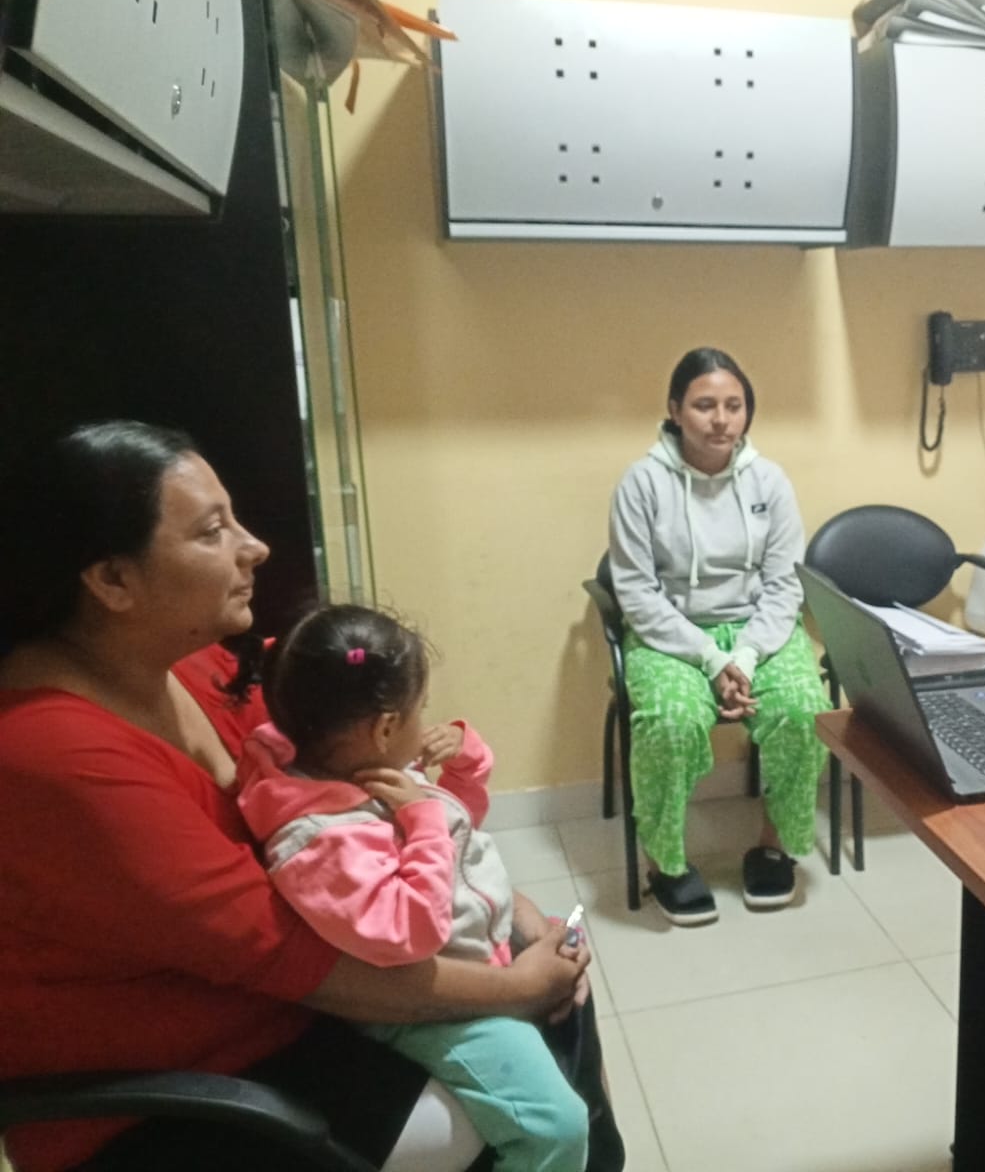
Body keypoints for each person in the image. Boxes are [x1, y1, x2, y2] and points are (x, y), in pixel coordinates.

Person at [0, 421, 616, 1172]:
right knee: (542, 1087)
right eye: (212, 531)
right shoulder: (56, 760)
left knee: (555, 990)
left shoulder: (188, 664)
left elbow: (352, 772)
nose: (254, 547)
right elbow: (293, 958)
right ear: (112, 580)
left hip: (298, 1003)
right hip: (185, 1090)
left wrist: (498, 907)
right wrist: (512, 985)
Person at [236, 603, 588, 1172]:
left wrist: (464, 761)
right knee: (557, 1126)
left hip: (476, 947)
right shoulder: (321, 839)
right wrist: (422, 818)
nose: (426, 722)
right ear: (383, 729)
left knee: (573, 1005)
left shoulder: (356, 766)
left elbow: (459, 827)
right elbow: (411, 932)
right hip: (435, 1008)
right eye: (420, 710)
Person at [608, 347, 830, 925]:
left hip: (759, 632)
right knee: (670, 721)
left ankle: (773, 847)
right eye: (704, 405)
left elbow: (785, 584)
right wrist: (710, 658)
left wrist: (747, 657)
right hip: (673, 635)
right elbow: (636, 593)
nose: (721, 420)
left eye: (734, 406)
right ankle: (665, 864)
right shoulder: (641, 484)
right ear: (674, 410)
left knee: (804, 709)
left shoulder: (769, 481)